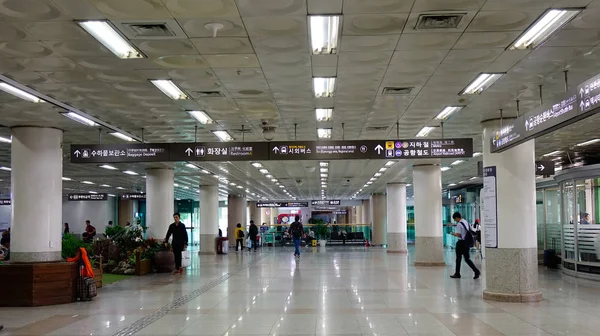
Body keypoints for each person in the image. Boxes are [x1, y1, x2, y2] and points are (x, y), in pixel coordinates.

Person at [450, 212, 480, 279]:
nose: (455, 220)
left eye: (455, 219)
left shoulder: (459, 224)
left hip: (461, 243)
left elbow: (459, 235)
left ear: (457, 217)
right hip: (466, 243)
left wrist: (453, 234)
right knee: (467, 259)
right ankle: (476, 271)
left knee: (458, 258)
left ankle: (457, 274)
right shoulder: (465, 222)